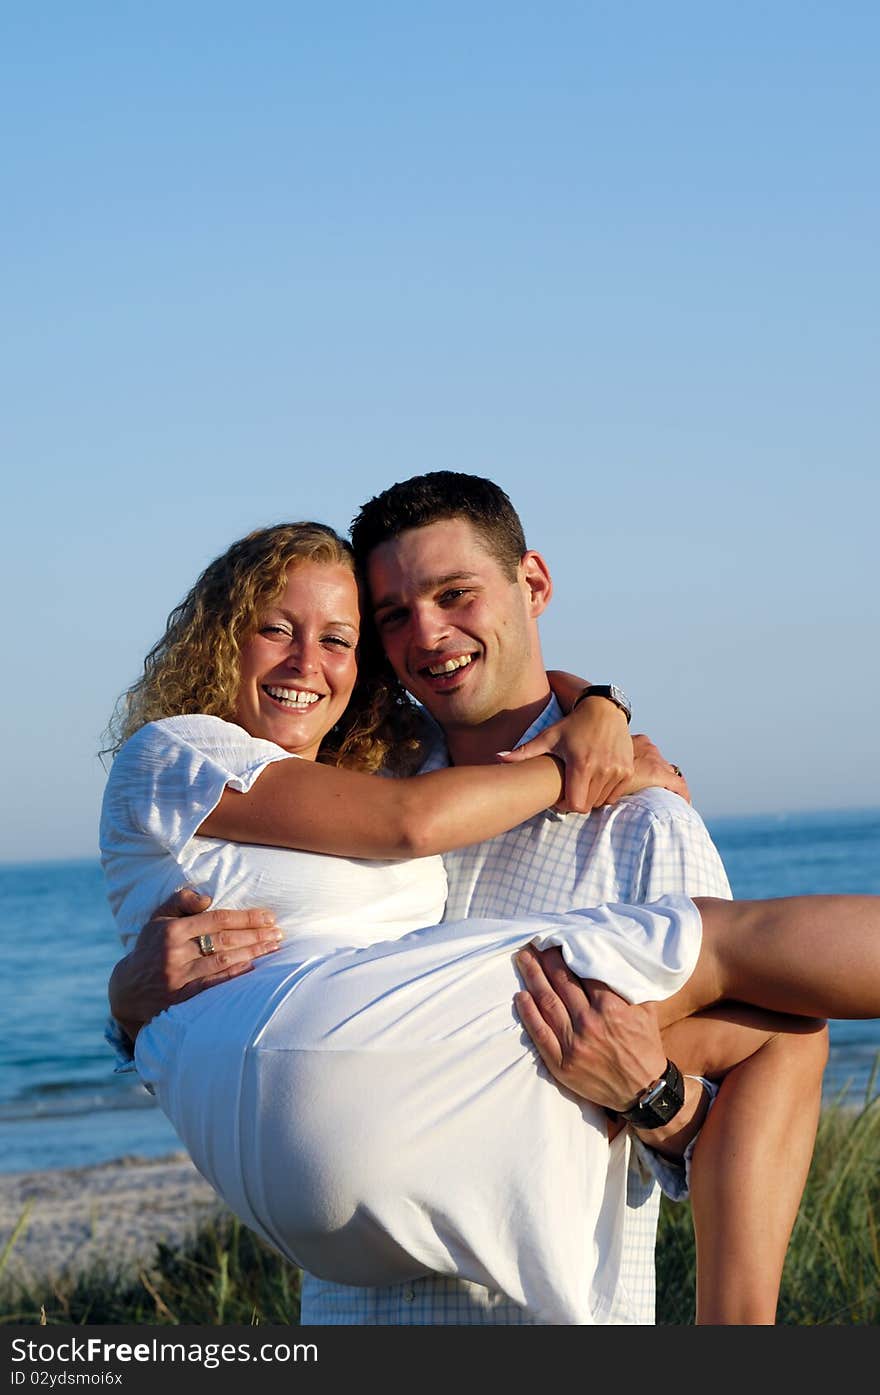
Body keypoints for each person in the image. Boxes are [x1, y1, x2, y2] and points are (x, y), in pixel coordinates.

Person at [102, 475, 842, 1324]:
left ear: (533, 585)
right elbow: (241, 1032)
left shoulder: (644, 826)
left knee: (782, 1011)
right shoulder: (363, 783)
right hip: (355, 1313)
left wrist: (653, 1096)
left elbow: (738, 1130)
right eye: (394, 616)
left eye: (456, 594)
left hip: (539, 1316)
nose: (429, 632)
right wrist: (127, 1008)